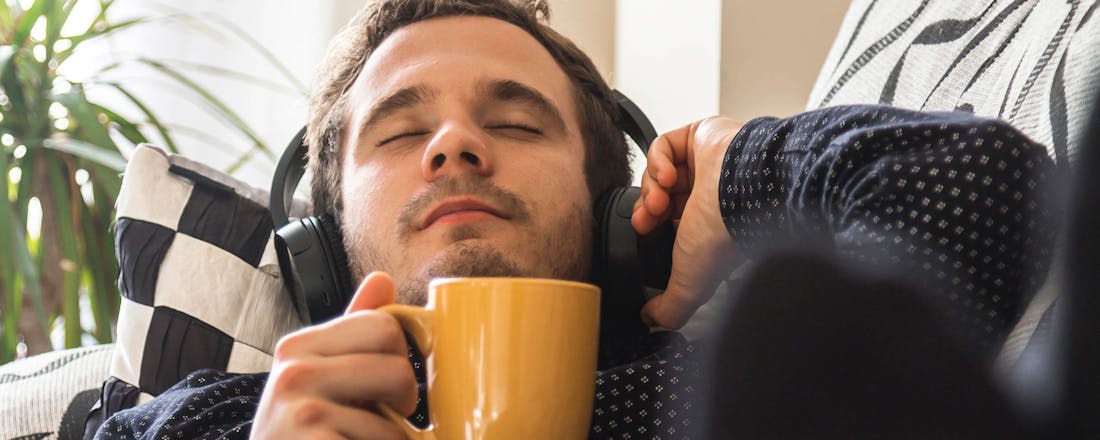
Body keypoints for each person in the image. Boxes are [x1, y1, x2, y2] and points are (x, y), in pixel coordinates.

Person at [93, 0, 1057, 438]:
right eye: (399, 134)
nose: (456, 146)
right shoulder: (213, 424)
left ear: (613, 213)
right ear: (320, 244)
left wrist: (743, 166)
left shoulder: (732, 384)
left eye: (515, 120)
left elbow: (980, 191)